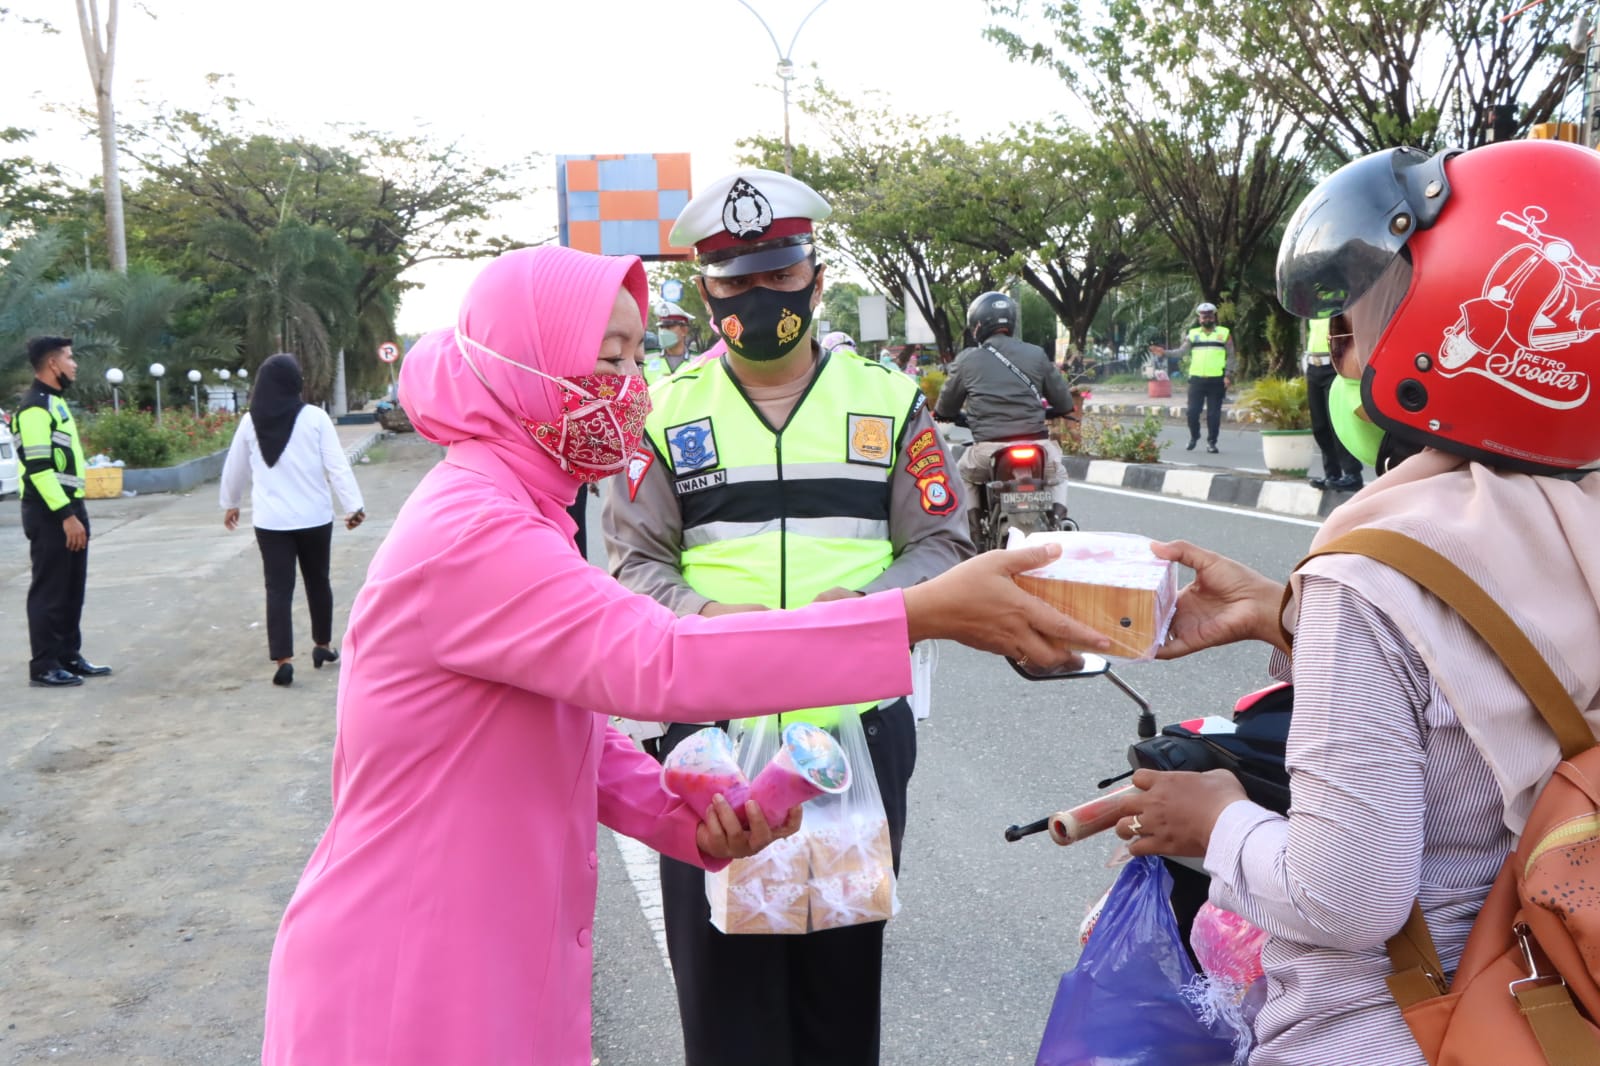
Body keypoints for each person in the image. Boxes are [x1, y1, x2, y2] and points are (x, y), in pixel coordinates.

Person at [259, 243, 1105, 1066]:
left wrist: (686, 816)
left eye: (634, 355)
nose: (628, 386)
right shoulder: (475, 531)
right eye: (604, 356)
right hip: (416, 965)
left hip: (490, 944)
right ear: (521, 361)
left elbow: (571, 738)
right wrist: (909, 617)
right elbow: (662, 660)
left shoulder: (525, 509)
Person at [1105, 140, 1600, 1064]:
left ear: (1447, 321)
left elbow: (1343, 896)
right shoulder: (1576, 524)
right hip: (1564, 993)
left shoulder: (1374, 574)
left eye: (1361, 316)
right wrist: (1279, 613)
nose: (1348, 351)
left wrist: (1212, 818)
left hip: (1405, 1024)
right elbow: (1483, 687)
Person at [602, 168, 975, 1066]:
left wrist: (864, 608)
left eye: (778, 272)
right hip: (711, 752)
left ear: (813, 272)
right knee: (727, 1010)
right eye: (734, 279)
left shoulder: (889, 402)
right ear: (705, 288)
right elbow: (633, 568)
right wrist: (711, 618)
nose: (760, 296)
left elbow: (944, 546)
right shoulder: (662, 412)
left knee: (839, 1000)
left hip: (856, 744)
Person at [219, 353, 365, 687]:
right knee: (318, 581)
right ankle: (322, 645)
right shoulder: (315, 417)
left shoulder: (249, 421)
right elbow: (337, 465)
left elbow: (235, 467)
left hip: (271, 522)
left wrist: (231, 502)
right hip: (314, 517)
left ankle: (283, 659)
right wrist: (352, 506)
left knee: (278, 588)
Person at [16, 336, 111, 689]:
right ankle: (44, 664)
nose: (75, 365)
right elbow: (39, 468)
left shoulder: (55, 403)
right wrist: (66, 515)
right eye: (70, 359)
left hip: (69, 505)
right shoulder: (35, 409)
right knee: (50, 589)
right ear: (53, 364)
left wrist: (75, 510)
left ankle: (69, 655)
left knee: (72, 588)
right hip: (50, 512)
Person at [936, 290, 1074, 528]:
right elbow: (1064, 404)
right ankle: (1060, 523)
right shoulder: (1036, 354)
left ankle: (976, 531)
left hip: (988, 452)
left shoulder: (967, 360)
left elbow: (946, 407)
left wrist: (947, 415)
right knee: (1058, 475)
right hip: (1037, 447)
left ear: (977, 325)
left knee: (962, 475)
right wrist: (1053, 410)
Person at [1151, 301, 1235, 453]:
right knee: (1192, 412)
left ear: (1214, 317)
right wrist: (1164, 353)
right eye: (1203, 317)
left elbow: (1231, 356)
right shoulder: (1193, 334)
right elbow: (1180, 352)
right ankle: (1194, 436)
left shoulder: (1224, 333)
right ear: (1199, 319)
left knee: (1213, 414)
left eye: (1209, 316)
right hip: (1196, 380)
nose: (1206, 319)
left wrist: (1228, 375)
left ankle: (1212, 442)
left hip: (1216, 380)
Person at [1303, 317, 1363, 491]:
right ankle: (1332, 474)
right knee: (1319, 425)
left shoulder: (1340, 305)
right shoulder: (1314, 310)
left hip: (1333, 366)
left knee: (1337, 423)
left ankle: (1352, 474)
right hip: (1314, 366)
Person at [645, 300, 696, 383]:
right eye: (661, 327)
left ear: (684, 330)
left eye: (668, 327)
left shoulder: (698, 361)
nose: (663, 332)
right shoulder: (646, 360)